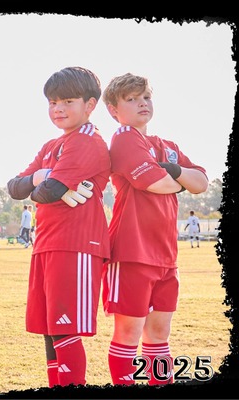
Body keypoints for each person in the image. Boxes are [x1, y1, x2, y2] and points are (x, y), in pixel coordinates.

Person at [100, 73, 208, 385]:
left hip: (165, 256)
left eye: (146, 96)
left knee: (159, 332)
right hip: (132, 252)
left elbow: (201, 182)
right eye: (131, 99)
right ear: (113, 110)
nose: (142, 103)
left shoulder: (168, 146)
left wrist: (172, 169)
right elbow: (156, 183)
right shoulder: (123, 137)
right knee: (129, 332)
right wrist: (179, 180)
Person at [6, 66, 111, 387]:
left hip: (76, 245)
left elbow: (47, 192)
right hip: (47, 243)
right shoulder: (52, 144)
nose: (58, 109)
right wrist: (42, 176)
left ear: (90, 105)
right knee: (51, 329)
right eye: (53, 102)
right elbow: (14, 187)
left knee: (65, 329)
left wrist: (44, 182)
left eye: (67, 101)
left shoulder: (87, 140)